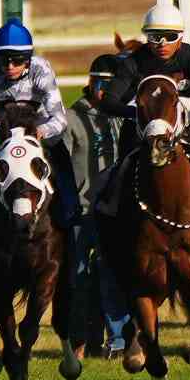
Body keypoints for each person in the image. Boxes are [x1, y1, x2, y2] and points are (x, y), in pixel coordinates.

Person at [0, 19, 79, 227]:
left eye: (17, 60)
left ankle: (70, 205)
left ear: (29, 59)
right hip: (4, 125)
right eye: (4, 61)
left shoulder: (42, 70)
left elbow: (59, 119)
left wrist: (42, 130)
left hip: (35, 127)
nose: (9, 67)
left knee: (57, 143)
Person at [102, 3, 190, 179]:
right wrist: (138, 111)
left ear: (180, 38)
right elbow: (107, 101)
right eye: (155, 37)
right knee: (127, 135)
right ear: (146, 37)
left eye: (170, 36)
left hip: (184, 108)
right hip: (148, 113)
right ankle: (115, 193)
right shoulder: (134, 61)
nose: (162, 44)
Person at [63, 55, 130, 360]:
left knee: (112, 275)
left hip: (111, 212)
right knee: (77, 278)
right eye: (101, 83)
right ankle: (78, 341)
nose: (106, 90)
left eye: (111, 84)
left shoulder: (119, 117)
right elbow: (60, 165)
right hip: (80, 210)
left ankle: (118, 339)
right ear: (91, 83)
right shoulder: (71, 118)